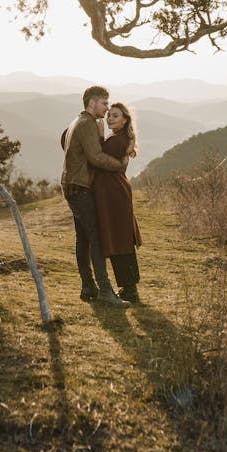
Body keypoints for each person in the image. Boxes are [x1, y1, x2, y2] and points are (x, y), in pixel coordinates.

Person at [61, 85, 130, 308]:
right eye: (104, 103)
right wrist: (120, 165)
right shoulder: (88, 123)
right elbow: (97, 157)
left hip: (71, 184)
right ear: (92, 102)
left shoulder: (76, 122)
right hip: (80, 188)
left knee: (84, 238)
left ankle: (88, 286)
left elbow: (63, 140)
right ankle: (105, 291)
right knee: (96, 238)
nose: (107, 108)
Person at [94, 103, 142, 303]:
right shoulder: (117, 137)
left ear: (124, 120)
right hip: (114, 193)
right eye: (109, 115)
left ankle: (130, 289)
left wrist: (98, 135)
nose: (110, 118)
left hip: (115, 195)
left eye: (115, 116)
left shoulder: (117, 140)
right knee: (119, 239)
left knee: (119, 240)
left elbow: (96, 156)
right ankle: (129, 288)